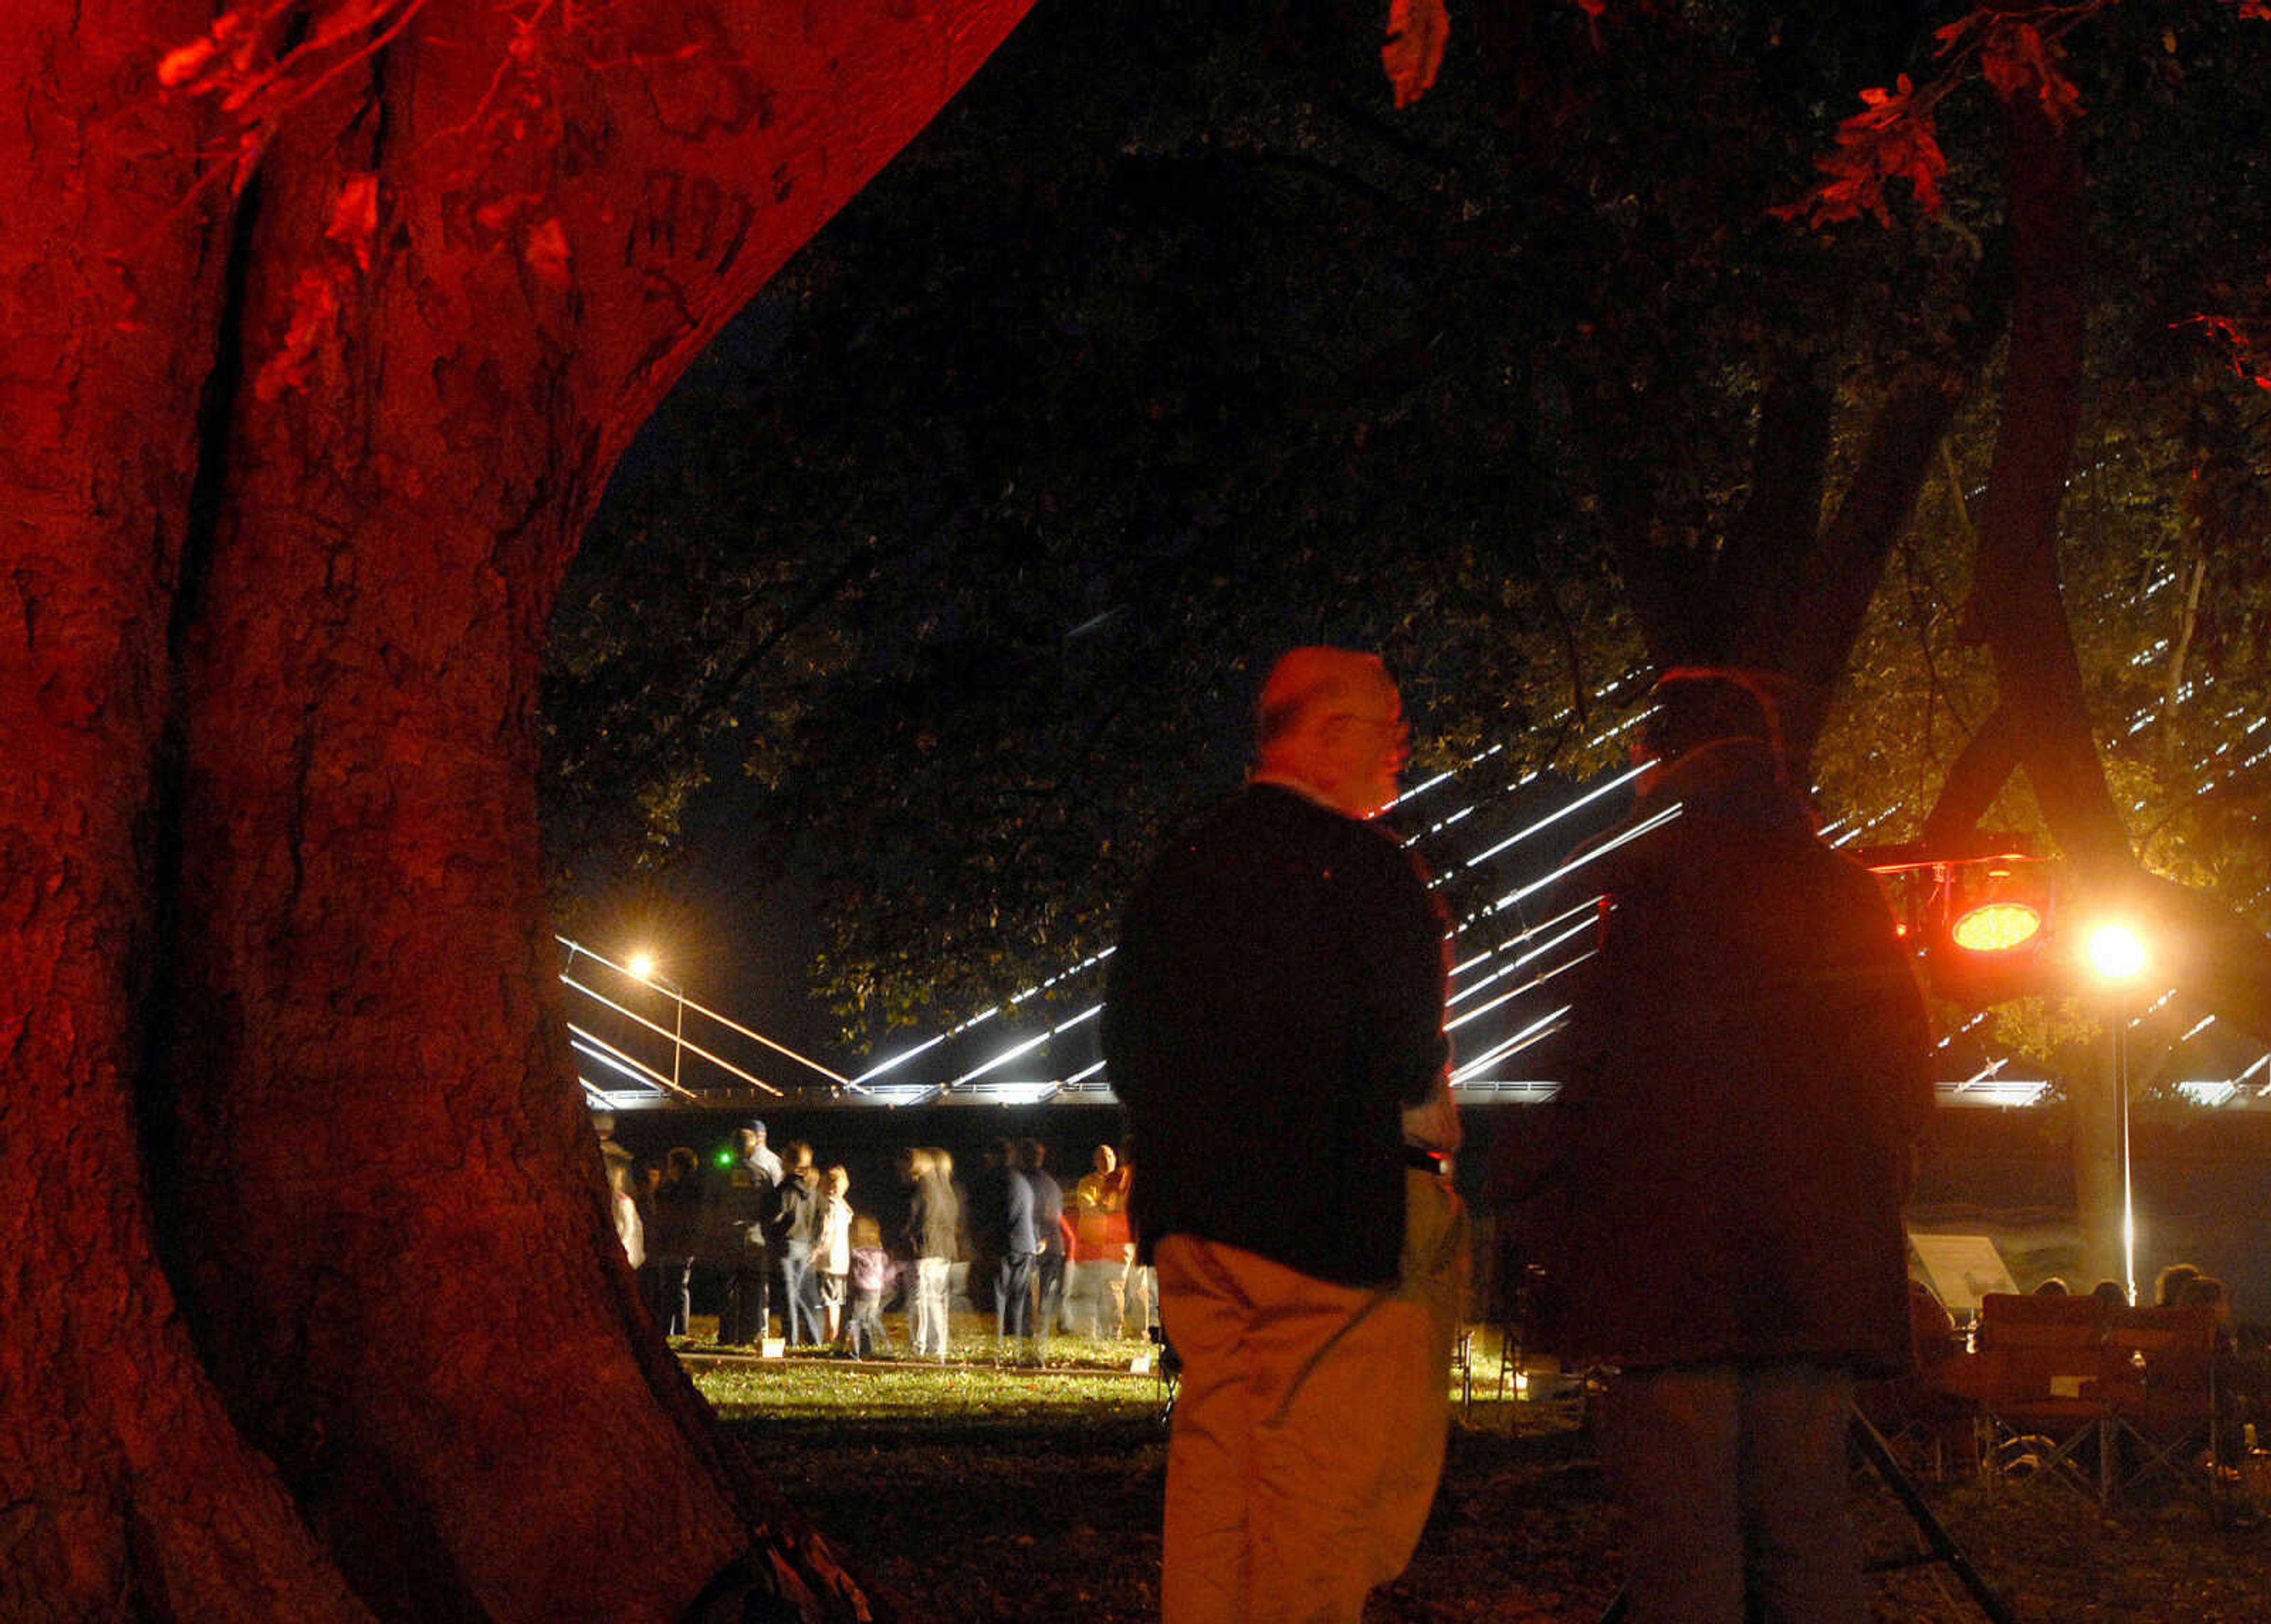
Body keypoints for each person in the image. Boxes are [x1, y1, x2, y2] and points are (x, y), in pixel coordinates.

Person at [1509, 668, 1933, 1624]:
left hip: (1669, 1270)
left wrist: (1531, 1212)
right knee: (1810, 1531)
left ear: (1657, 763)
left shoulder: (1630, 886)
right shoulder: (1846, 892)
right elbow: (1901, 1082)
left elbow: (1569, 1066)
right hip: (1812, 1273)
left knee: (1689, 1550)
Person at [1102, 646, 1467, 1624]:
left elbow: (1124, 1045)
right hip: (1325, 1228)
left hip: (1195, 1225)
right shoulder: (1367, 870)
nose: (1402, 751)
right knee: (1320, 1494)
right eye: (1390, 729)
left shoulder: (1178, 865)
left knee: (1219, 1466)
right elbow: (1403, 1051)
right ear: (1331, 729)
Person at [715, 1125, 780, 1346]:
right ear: (752, 1150)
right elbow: (771, 1207)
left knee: (727, 1287)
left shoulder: (721, 1174)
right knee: (753, 1288)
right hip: (755, 1237)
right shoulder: (762, 1174)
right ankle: (747, 1336)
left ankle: (726, 1335)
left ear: (732, 1149)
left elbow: (711, 1206)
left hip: (727, 1236)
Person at [1072, 1143, 1134, 1337]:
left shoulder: (1121, 1178)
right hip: (1099, 1242)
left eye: (1109, 1156)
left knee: (1116, 1285)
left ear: (1116, 1158)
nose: (1106, 1160)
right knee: (1108, 1286)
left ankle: (1115, 1332)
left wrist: (1104, 1208)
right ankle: (1107, 1330)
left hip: (1116, 1240)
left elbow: (1098, 1207)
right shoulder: (1088, 1182)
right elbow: (1086, 1206)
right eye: (1102, 1157)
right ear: (1095, 1161)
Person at [905, 1146, 959, 1360]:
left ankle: (920, 1345)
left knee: (919, 1302)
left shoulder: (924, 1189)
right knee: (937, 1301)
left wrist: (909, 1239)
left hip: (925, 1251)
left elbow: (916, 1219)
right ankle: (939, 1345)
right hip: (943, 1252)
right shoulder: (947, 1192)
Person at [774, 1141, 824, 1345]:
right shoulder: (813, 1191)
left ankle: (793, 1339)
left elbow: (775, 1216)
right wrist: (815, 1244)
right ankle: (812, 1336)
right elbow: (821, 1219)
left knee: (789, 1296)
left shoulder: (785, 1191)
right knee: (794, 1293)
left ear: (788, 1162)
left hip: (786, 1245)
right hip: (805, 1246)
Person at [846, 1214, 897, 1358]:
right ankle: (871, 1348)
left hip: (862, 1290)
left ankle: (855, 1352)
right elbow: (889, 1271)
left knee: (855, 1321)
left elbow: (853, 1273)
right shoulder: (880, 1253)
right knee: (869, 1321)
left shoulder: (857, 1254)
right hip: (876, 1291)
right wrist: (886, 1285)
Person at [817, 1165, 854, 1348]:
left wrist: (815, 1251)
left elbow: (825, 1233)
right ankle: (834, 1333)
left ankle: (830, 1336)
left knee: (829, 1301)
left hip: (828, 1260)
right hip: (842, 1261)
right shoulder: (845, 1207)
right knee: (836, 1300)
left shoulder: (828, 1207)